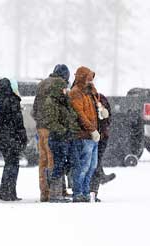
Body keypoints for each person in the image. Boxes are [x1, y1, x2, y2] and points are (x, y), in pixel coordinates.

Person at [31, 64, 70, 202]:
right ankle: (56, 191)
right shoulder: (61, 84)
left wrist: (39, 120)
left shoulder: (42, 84)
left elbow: (35, 108)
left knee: (43, 161)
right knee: (53, 159)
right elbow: (66, 105)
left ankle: (44, 192)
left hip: (40, 126)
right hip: (53, 127)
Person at [44, 79, 81, 202]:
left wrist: (72, 129)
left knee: (72, 162)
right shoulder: (51, 102)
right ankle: (55, 193)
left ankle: (55, 183)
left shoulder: (65, 101)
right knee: (59, 164)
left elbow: (72, 116)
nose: (66, 90)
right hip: (58, 138)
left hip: (68, 137)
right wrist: (64, 130)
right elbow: (51, 122)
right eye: (64, 88)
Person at [0, 78, 27, 201]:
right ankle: (10, 192)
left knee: (8, 163)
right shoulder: (13, 100)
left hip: (2, 137)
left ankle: (4, 192)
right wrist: (23, 137)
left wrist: (0, 132)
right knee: (13, 165)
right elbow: (18, 121)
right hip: (13, 136)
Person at [69, 66, 99, 202]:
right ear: (82, 78)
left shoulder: (89, 93)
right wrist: (91, 129)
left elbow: (95, 107)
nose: (90, 82)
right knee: (82, 166)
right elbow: (80, 114)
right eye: (88, 79)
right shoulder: (76, 93)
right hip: (83, 135)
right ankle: (78, 192)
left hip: (92, 136)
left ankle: (86, 192)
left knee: (92, 166)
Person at [86, 78, 116, 202]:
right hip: (100, 136)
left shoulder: (85, 100)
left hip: (91, 136)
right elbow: (109, 117)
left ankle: (89, 190)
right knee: (95, 163)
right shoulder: (100, 98)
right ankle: (93, 190)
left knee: (90, 164)